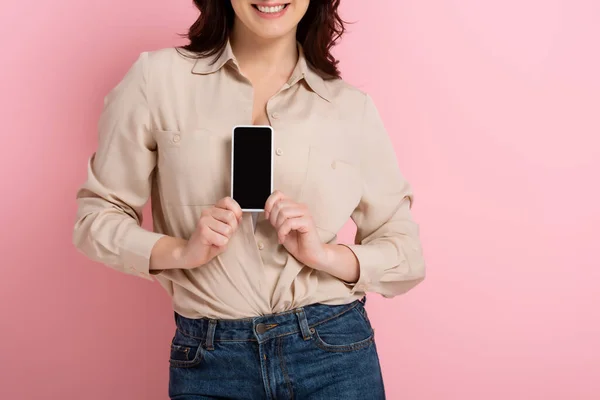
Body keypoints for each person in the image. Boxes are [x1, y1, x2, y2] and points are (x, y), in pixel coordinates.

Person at [73, 0, 426, 398]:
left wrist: (323, 255)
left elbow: (406, 255)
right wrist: (182, 253)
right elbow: (96, 219)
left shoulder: (350, 108)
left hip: (334, 353)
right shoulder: (156, 80)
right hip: (210, 358)